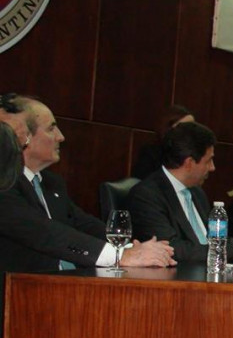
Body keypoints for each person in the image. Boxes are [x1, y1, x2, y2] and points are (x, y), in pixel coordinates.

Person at [0, 95, 176, 272]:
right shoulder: (4, 185)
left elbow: (83, 224)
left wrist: (132, 249)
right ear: (23, 136)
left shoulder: (51, 183)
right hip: (18, 291)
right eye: (51, 128)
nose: (61, 137)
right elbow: (42, 232)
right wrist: (119, 256)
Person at [129, 121, 233, 263]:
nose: (212, 168)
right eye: (208, 161)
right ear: (189, 163)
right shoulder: (147, 195)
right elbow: (171, 249)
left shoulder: (197, 193)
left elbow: (212, 238)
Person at [132, 105, 195, 179]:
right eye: (185, 127)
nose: (190, 131)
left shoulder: (191, 153)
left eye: (193, 127)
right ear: (170, 127)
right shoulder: (151, 151)